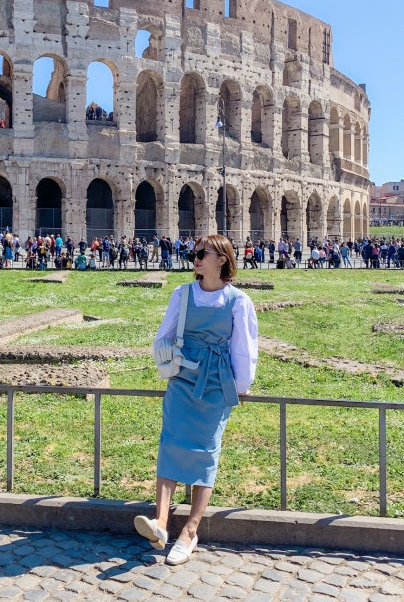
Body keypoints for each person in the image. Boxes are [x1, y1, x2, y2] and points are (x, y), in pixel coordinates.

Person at [134, 234, 258, 566]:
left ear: (222, 259)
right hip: (182, 379)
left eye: (203, 253)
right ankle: (160, 523)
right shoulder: (182, 294)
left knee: (206, 452)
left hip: (216, 383)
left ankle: (190, 531)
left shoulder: (238, 301)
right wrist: (169, 360)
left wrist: (241, 385)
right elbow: (164, 334)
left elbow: (243, 349)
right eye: (195, 253)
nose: (196, 258)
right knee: (170, 442)